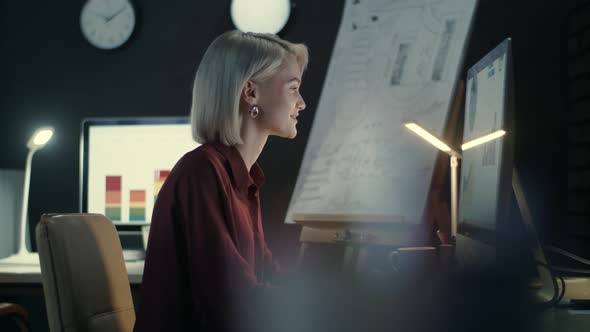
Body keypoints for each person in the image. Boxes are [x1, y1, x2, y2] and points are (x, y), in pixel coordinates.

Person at [133, 30, 308, 332]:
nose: (302, 103)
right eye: (293, 89)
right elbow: (232, 303)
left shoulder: (243, 178)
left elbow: (266, 276)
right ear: (250, 93)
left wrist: (329, 296)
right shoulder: (201, 172)